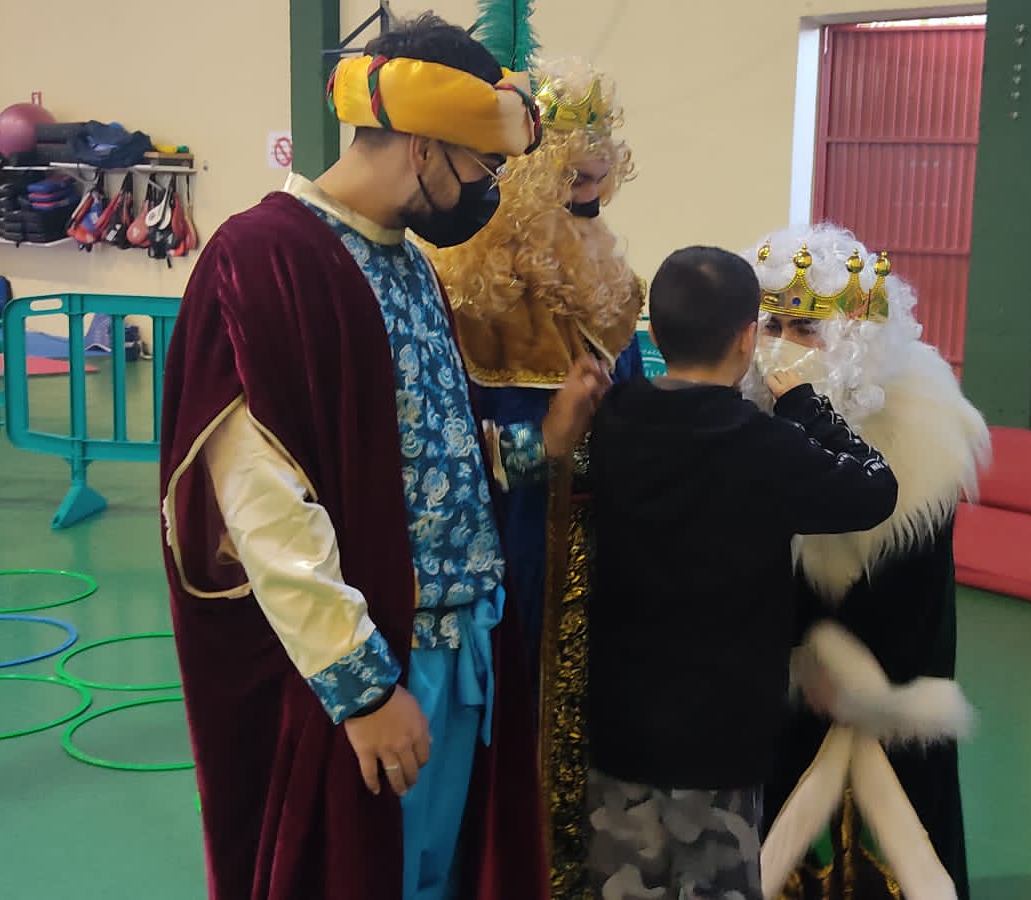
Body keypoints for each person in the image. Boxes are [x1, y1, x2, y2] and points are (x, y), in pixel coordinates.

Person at [157, 13, 566, 900]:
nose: (487, 191)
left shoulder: (410, 265)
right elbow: (261, 504)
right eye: (481, 167)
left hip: (466, 653)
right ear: (422, 146)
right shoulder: (264, 260)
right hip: (377, 660)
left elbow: (425, 453)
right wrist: (365, 688)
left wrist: (539, 448)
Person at [582, 245, 901, 900]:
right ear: (748, 338)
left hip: (621, 726)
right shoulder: (765, 445)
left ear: (655, 332)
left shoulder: (614, 419)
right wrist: (808, 407)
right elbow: (877, 488)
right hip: (720, 740)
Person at [422, 54, 644, 896]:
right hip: (508, 538)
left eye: (597, 183)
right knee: (512, 703)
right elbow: (444, 445)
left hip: (594, 538)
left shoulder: (609, 278)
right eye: (571, 182)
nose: (589, 202)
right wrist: (544, 440)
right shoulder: (466, 293)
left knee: (585, 700)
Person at [746, 224, 990, 900]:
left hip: (887, 686)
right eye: (773, 324)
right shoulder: (752, 417)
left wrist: (849, 678)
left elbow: (913, 595)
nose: (784, 343)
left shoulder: (924, 433)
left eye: (806, 327)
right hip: (790, 690)